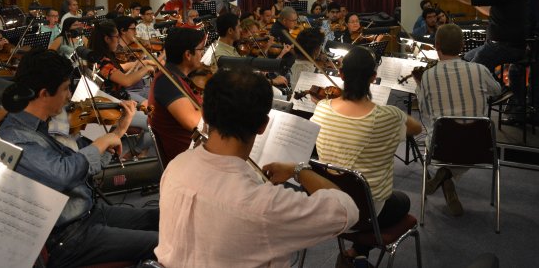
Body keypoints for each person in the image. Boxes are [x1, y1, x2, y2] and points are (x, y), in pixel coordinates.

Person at [155, 69, 359, 268]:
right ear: (263, 125)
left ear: (205, 116)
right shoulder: (264, 206)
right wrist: (299, 171)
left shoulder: (175, 166)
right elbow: (346, 210)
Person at [0, 49, 158, 268]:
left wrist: (118, 132)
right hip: (68, 238)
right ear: (44, 93)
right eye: (64, 89)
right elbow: (64, 175)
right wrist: (100, 143)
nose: (67, 97)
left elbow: (87, 166)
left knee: (157, 218)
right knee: (161, 244)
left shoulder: (42, 125)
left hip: (88, 213)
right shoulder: (17, 137)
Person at [311, 46, 422, 261]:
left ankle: (354, 254)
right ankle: (357, 255)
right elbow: (416, 128)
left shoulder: (322, 108)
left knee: (359, 188)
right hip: (367, 215)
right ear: (373, 78)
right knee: (403, 200)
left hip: (328, 206)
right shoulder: (388, 116)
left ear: (341, 75)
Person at [414, 24, 502, 216]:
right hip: (479, 147)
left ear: (436, 45)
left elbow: (425, 112)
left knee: (432, 133)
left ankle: (444, 174)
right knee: (465, 140)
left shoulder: (428, 76)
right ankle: (446, 178)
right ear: (463, 45)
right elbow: (497, 90)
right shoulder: (479, 70)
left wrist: (419, 86)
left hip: (442, 147)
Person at [442, 0, 529, 72]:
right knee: (466, 58)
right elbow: (490, 10)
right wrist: (471, 0)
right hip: (512, 46)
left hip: (502, 46)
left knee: (470, 71)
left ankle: (486, 86)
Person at [88, 20, 156, 159]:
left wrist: (137, 65)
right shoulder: (103, 63)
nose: (118, 41)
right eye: (116, 37)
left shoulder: (103, 57)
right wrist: (145, 69)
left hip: (119, 99)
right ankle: (132, 154)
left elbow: (122, 76)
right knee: (154, 122)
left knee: (151, 109)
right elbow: (126, 81)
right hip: (114, 106)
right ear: (107, 39)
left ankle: (138, 152)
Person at [148, 27, 205, 164]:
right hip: (187, 159)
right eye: (200, 49)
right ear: (188, 54)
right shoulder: (167, 82)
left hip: (197, 150)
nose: (202, 54)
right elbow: (194, 123)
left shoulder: (176, 77)